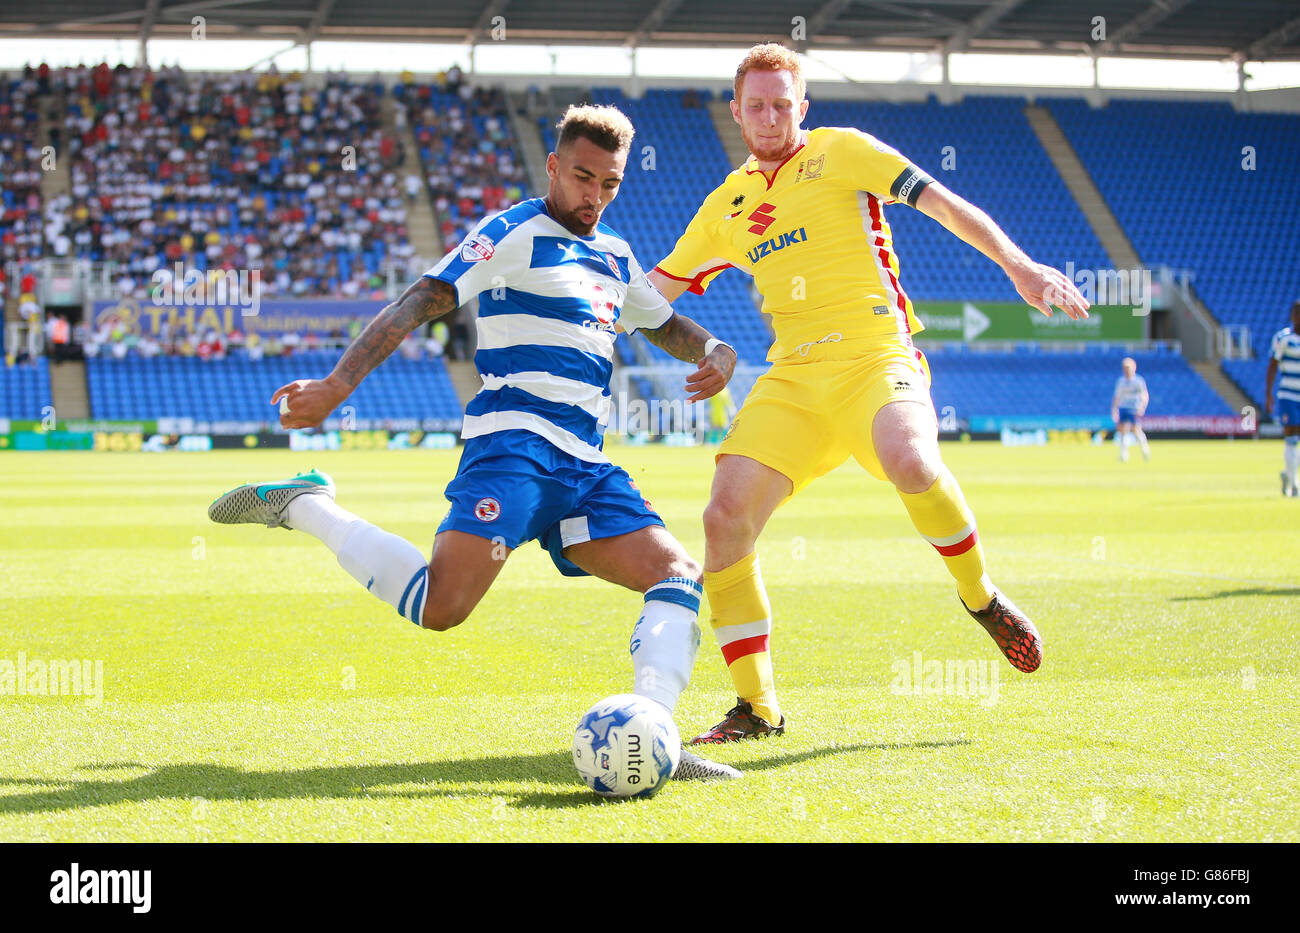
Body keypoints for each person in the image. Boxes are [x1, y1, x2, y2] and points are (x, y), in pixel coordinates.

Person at [208, 105, 742, 781]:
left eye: (609, 183)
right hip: (515, 446)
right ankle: (307, 505)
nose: (595, 196)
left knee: (678, 574)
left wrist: (714, 347)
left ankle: (655, 733)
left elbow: (661, 323)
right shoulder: (511, 232)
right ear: (554, 166)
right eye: (583, 177)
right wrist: (339, 383)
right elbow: (419, 300)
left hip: (586, 464)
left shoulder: (615, 254)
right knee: (442, 608)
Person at [645, 44, 1091, 744]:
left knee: (912, 461)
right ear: (735, 112)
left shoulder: (842, 151)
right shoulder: (724, 204)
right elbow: (652, 293)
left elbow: (942, 204)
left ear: (803, 107)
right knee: (724, 516)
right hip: (793, 378)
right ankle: (757, 708)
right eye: (756, 106)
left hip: (875, 356)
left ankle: (980, 597)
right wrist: (603, 307)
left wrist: (1019, 265)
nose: (770, 117)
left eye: (782, 104)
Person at [1265, 300, 1300, 497]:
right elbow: (1272, 365)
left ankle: (1288, 474)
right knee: (1291, 436)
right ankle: (1294, 486)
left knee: (1295, 441)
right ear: (1292, 316)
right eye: (1296, 313)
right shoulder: (1283, 338)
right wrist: (1268, 394)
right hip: (1289, 394)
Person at [1111, 356, 1150, 462]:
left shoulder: (1138, 381)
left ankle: (1145, 450)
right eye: (1125, 368)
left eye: (1128, 368)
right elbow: (1117, 397)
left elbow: (1144, 394)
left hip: (1134, 407)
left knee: (1136, 429)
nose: (1127, 370)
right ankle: (1124, 455)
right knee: (1122, 431)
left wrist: (1142, 406)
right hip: (1123, 407)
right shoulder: (1121, 381)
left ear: (1134, 367)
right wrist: (1114, 409)